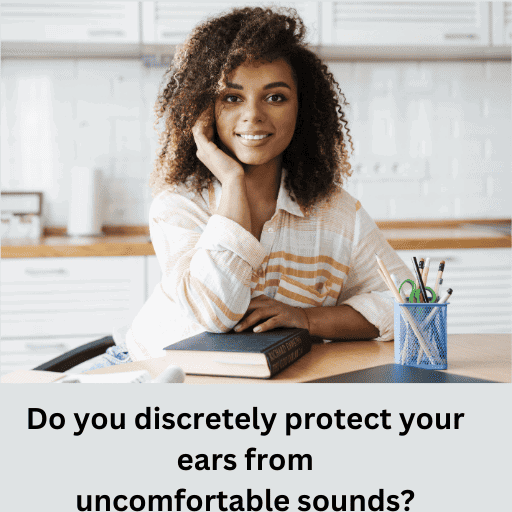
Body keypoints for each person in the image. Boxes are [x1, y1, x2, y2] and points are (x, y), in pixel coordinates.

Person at [89, 6, 412, 369]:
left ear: (300, 109)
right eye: (232, 97)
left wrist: (306, 319)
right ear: (204, 111)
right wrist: (232, 181)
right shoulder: (179, 206)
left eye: (275, 97)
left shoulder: (337, 214)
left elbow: (409, 306)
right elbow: (216, 313)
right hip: (149, 374)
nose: (253, 115)